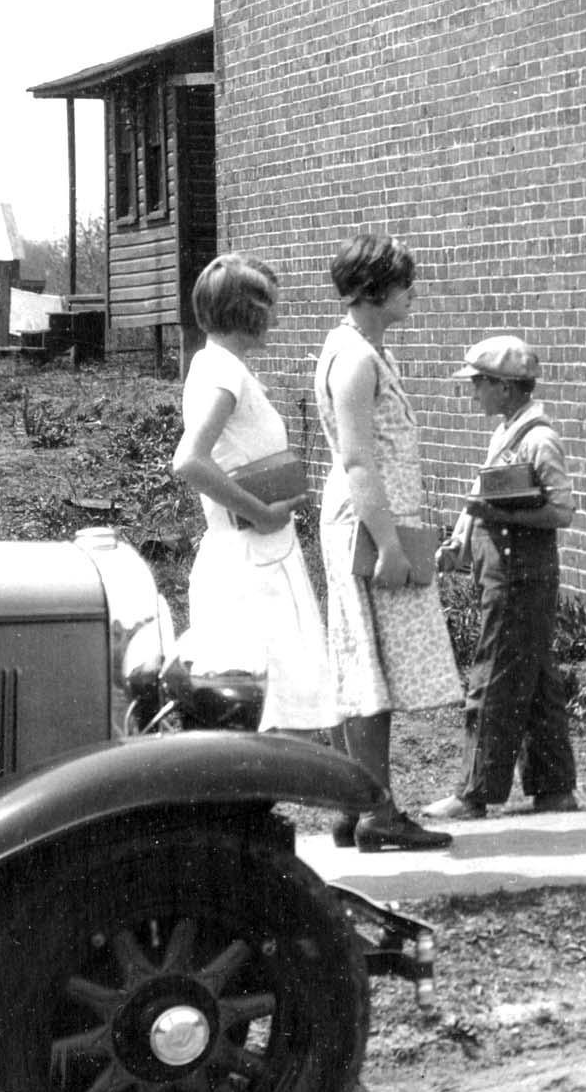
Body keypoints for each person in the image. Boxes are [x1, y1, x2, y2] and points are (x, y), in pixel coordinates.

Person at [162, 252, 348, 784]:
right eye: (268, 306)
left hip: (263, 555)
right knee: (269, 709)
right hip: (251, 561)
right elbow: (190, 460)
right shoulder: (222, 371)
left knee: (283, 708)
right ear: (246, 311)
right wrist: (262, 511)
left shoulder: (220, 365)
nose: (276, 317)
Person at [312, 235, 461, 850]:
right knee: (369, 671)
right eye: (403, 284)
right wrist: (390, 545)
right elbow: (357, 461)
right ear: (375, 290)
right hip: (367, 526)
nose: (412, 293)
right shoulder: (354, 358)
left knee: (368, 667)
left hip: (375, 521)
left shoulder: (367, 350)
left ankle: (356, 804)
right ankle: (376, 811)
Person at [429, 332, 577, 817]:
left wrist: (501, 518)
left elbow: (561, 511)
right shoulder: (507, 432)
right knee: (534, 681)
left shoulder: (538, 439)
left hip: (520, 576)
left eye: (479, 384)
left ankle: (475, 792)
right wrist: (459, 540)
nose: (473, 393)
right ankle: (553, 787)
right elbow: (482, 498)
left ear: (507, 388)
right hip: (507, 573)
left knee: (492, 678)